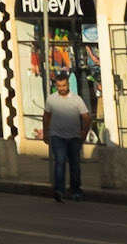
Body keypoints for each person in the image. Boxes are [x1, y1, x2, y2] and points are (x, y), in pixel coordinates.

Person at [43, 70, 91, 201]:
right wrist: (46, 132)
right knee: (60, 162)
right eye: (59, 86)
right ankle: (59, 190)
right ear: (56, 85)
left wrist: (84, 132)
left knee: (75, 164)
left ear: (68, 85)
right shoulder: (51, 99)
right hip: (57, 136)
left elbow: (86, 117)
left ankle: (76, 190)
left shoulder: (77, 99)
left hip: (74, 137)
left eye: (64, 86)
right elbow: (47, 116)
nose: (62, 88)